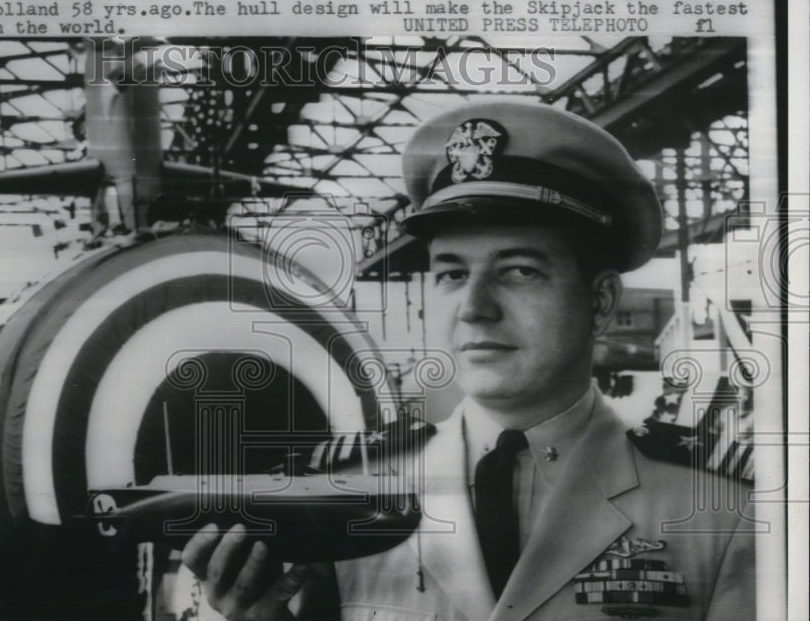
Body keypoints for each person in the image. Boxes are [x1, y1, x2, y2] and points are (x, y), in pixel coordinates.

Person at [181, 100, 756, 620]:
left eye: (519, 271)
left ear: (599, 302)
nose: (475, 309)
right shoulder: (345, 495)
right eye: (453, 273)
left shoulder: (722, 510)